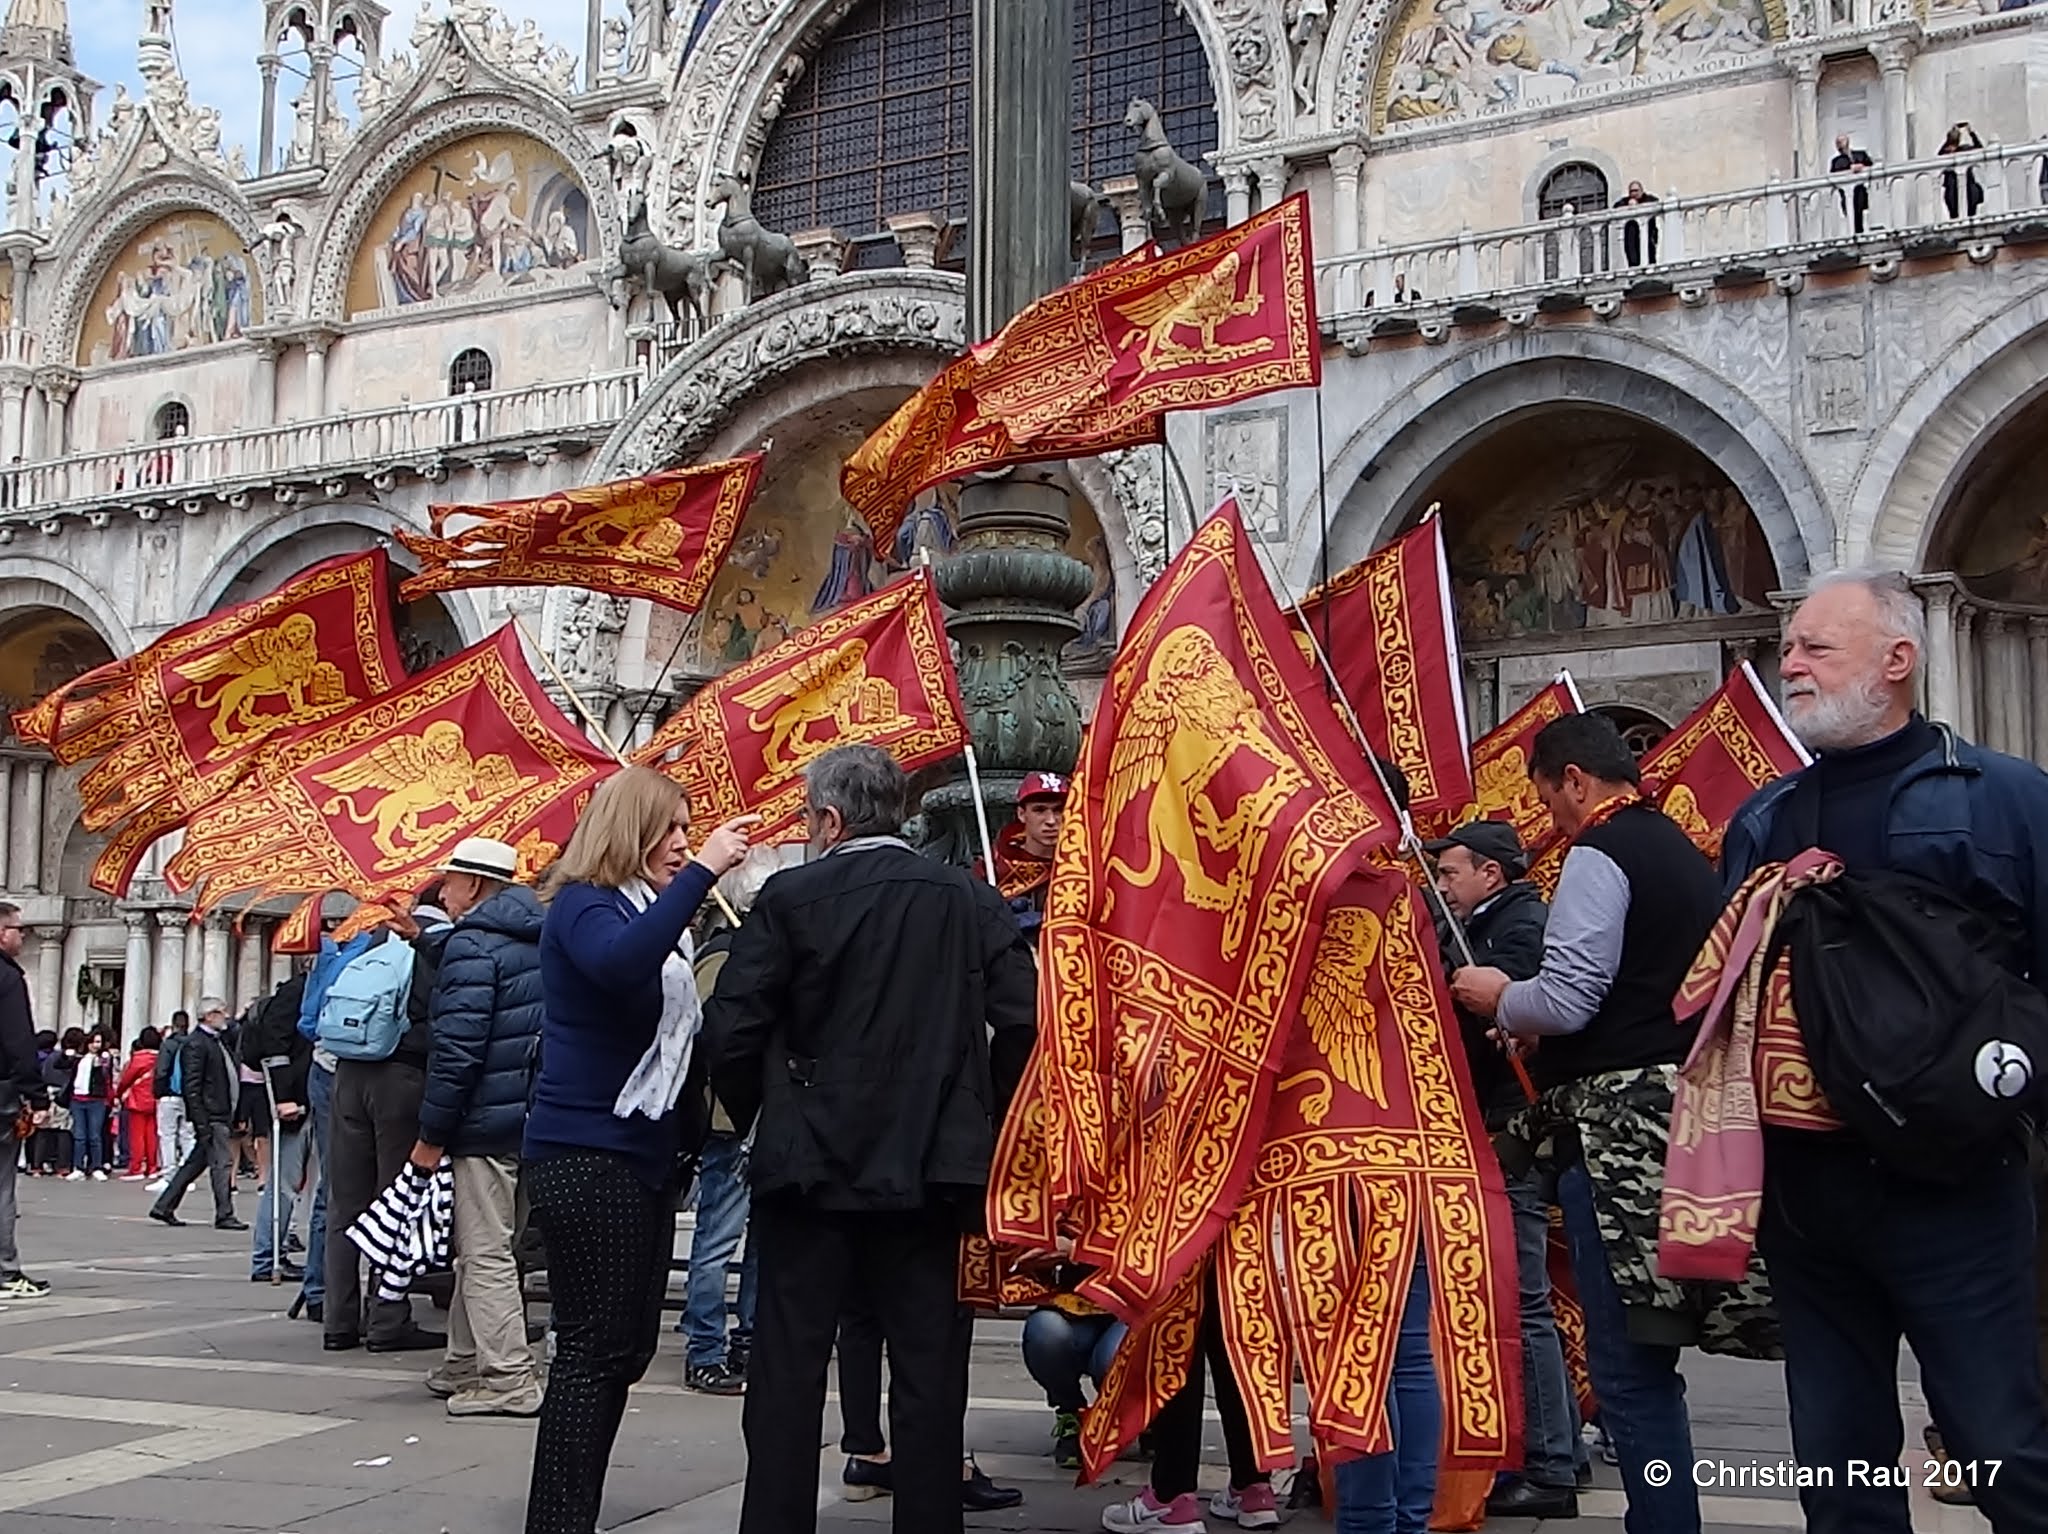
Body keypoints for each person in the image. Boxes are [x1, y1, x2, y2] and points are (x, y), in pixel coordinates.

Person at [1720, 570, 2048, 1534]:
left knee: (2002, 1451)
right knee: (1838, 1469)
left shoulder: (2007, 798)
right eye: (1788, 649)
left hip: (1956, 1189)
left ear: (1898, 660)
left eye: (1818, 647)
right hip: (1809, 1203)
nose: (1792, 664)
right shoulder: (1763, 820)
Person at [705, 744, 1038, 1534]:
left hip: (809, 1167)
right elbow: (1025, 1023)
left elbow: (732, 1029)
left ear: (828, 819)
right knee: (928, 1374)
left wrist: (766, 1112)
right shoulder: (968, 898)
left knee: (787, 1369)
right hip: (931, 1168)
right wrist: (978, 1112)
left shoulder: (790, 899)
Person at [1451, 713, 1729, 1534]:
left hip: (1617, 1139)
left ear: (1575, 780)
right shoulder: (1677, 848)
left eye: (1550, 799)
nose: (1554, 824)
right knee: (1651, 1354)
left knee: (1627, 1363)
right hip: (1681, 1120)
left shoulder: (1604, 851)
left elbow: (1570, 994)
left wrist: (1503, 996)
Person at [520, 767, 756, 1534]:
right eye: (671, 831)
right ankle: (557, 1521)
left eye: (689, 832)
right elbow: (623, 967)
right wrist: (701, 873)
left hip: (644, 1156)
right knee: (591, 1353)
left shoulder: (642, 910)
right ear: (630, 832)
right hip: (589, 1155)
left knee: (624, 1350)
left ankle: (570, 1513)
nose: (683, 844)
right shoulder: (584, 906)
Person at [1425, 821, 1579, 1520]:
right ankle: (1546, 1447)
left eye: (1452, 872)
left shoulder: (1519, 928)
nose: (1445, 884)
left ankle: (1551, 1460)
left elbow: (1493, 1023)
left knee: (1523, 1298)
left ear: (1491, 874)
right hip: (1483, 1124)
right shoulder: (1479, 921)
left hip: (1506, 1124)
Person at [407, 837, 547, 1419]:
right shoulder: (542, 940)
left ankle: (509, 1376)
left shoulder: (473, 945)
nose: (443, 891)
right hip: (532, 1117)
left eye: (450, 880)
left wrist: (431, 1134)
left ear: (475, 884)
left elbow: (457, 1051)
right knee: (489, 1245)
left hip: (483, 1119)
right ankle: (464, 1359)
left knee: (485, 1251)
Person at [325, 893, 450, 1354]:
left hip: (348, 1072)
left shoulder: (370, 941)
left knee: (345, 1201)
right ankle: (386, 1318)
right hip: (402, 1077)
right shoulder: (436, 947)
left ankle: (338, 1320)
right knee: (394, 1203)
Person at [148, 998, 245, 1230]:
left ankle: (164, 1206)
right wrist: (200, 1120)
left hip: (220, 1111)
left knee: (195, 1164)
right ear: (209, 1016)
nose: (226, 1016)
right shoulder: (197, 1044)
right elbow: (192, 1086)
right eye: (222, 1012)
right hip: (212, 1114)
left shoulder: (217, 1041)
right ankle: (224, 1213)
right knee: (222, 1163)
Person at [242, 973, 310, 1284]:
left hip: (309, 1094)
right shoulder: (297, 990)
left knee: (295, 1182)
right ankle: (267, 1256)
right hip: (296, 1098)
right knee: (284, 1181)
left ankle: (273, 1252)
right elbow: (275, 1045)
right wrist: (284, 1095)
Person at [0, 901, 51, 1298]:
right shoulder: (7, 978)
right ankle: (5, 1270)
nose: (22, 935)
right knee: (2, 1184)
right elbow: (19, 1041)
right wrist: (36, 1096)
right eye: (19, 929)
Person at [972, 770, 1067, 948]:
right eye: (1039, 810)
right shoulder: (992, 867)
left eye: (1059, 810)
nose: (1051, 821)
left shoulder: (1082, 865)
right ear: (1022, 814)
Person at [150, 1011, 192, 1191]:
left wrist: (158, 1091)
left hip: (169, 1094)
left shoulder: (169, 1044)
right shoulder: (193, 1043)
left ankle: (169, 1175)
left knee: (167, 1136)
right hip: (189, 1095)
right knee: (187, 1136)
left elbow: (162, 1070)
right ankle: (189, 1176)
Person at [67, 1031, 115, 1180]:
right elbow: (60, 1065)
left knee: (95, 1135)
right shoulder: (78, 1059)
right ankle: (78, 1167)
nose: (96, 1045)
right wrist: (66, 1055)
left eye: (99, 1042)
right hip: (77, 1099)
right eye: (93, 1042)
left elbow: (106, 1073)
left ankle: (97, 1166)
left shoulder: (103, 1059)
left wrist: (103, 1061)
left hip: (96, 1100)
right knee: (79, 1136)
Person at [115, 1027, 161, 1181]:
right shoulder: (162, 1057)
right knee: (152, 1135)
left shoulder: (139, 1058)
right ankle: (152, 1166)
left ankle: (136, 1168)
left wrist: (119, 1093)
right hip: (155, 1098)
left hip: (138, 1099)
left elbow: (126, 1079)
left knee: (137, 1136)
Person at [1830, 134, 1874, 234]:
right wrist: (1850, 168)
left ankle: (1862, 231)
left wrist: (1861, 166)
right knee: (1850, 214)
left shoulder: (1860, 154)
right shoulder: (1836, 161)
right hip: (1846, 194)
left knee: (1861, 212)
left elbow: (1870, 165)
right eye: (1838, 143)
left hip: (1861, 190)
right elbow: (1834, 175)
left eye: (1842, 141)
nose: (1840, 144)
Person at [1941, 121, 1985, 219]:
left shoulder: (1964, 150)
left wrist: (1971, 133)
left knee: (1970, 213)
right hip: (1952, 189)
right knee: (1954, 214)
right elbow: (1939, 158)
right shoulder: (1945, 153)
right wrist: (1949, 140)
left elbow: (1980, 149)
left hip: (1968, 187)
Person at [1614, 180, 1659, 267]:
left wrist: (1638, 205)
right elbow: (1616, 207)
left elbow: (1655, 202)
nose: (1634, 193)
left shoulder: (1649, 199)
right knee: (1632, 256)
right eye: (1632, 191)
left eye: (1636, 190)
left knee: (1649, 256)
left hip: (1648, 235)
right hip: (1631, 235)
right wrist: (1628, 205)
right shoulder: (1625, 201)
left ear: (1641, 191)